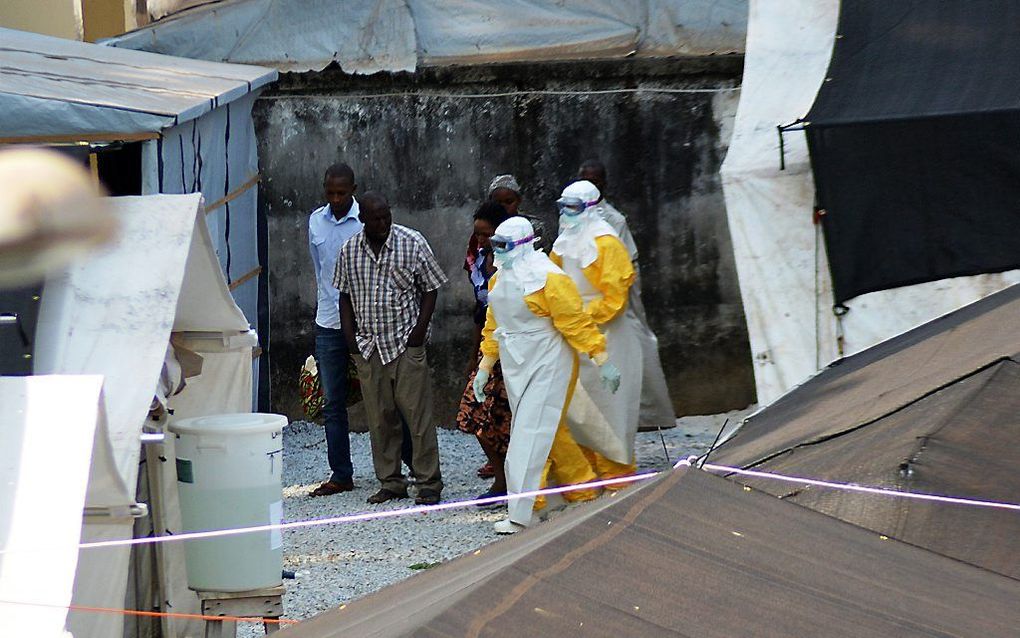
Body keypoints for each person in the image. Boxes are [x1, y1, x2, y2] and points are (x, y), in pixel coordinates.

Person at [475, 217, 621, 534]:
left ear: (524, 245)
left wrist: (600, 357)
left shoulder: (550, 279)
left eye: (503, 245)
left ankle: (523, 513)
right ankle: (581, 491)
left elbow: (575, 322)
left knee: (527, 436)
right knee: (547, 433)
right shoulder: (499, 281)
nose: (496, 251)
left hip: (549, 362)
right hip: (516, 364)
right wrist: (485, 367)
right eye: (494, 244)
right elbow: (493, 324)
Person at [336, 192, 447, 505]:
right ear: (363, 221)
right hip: (368, 347)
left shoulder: (411, 242)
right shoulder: (349, 251)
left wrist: (419, 332)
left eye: (387, 216)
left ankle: (428, 483)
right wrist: (350, 339)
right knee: (380, 419)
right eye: (376, 218)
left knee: (419, 418)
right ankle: (391, 481)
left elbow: (431, 288)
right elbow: (343, 295)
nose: (383, 223)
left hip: (404, 343)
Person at [551, 180, 642, 482]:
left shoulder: (607, 243)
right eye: (562, 206)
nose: (566, 214)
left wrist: (578, 315)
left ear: (590, 208)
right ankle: (587, 476)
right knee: (578, 409)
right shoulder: (563, 242)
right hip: (574, 336)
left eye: (573, 207)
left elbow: (614, 299)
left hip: (609, 337)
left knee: (610, 408)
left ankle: (618, 476)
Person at [578, 159, 675, 429]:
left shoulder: (612, 219)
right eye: (586, 180)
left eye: (596, 180)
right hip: (591, 287)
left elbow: (616, 266)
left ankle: (647, 412)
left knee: (630, 336)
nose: (591, 185)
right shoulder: (575, 215)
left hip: (616, 285)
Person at [307, 163, 361, 497]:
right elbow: (319, 268)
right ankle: (341, 474)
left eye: (342, 192)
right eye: (331, 193)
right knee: (332, 403)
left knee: (384, 397)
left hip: (365, 321)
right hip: (328, 320)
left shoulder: (367, 219)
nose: (336, 199)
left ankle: (400, 470)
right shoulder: (315, 220)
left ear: (353, 189)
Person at [456, 202, 513, 503]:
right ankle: (502, 479)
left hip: (515, 350)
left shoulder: (516, 261)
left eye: (486, 235)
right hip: (488, 346)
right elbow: (482, 311)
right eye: (477, 234)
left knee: (508, 419)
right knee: (474, 415)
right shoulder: (477, 259)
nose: (481, 241)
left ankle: (516, 482)